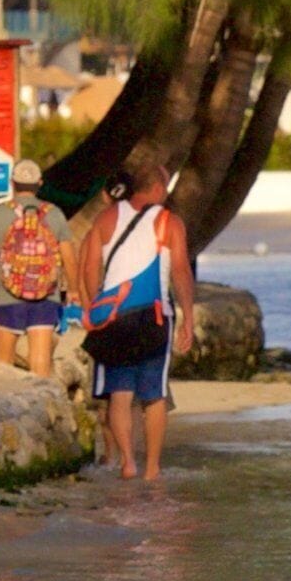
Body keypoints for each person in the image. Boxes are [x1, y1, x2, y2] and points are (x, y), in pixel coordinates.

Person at [78, 167, 196, 478]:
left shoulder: (105, 218)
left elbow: (90, 266)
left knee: (119, 394)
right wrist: (188, 316)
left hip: (113, 317)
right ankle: (152, 469)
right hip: (154, 316)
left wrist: (95, 306)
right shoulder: (169, 221)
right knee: (153, 395)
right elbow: (181, 270)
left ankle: (128, 462)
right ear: (157, 188)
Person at [0, 159, 75, 379]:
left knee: (3, 366)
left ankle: (6, 408)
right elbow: (68, 257)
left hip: (8, 296)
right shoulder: (54, 214)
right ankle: (40, 408)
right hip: (46, 296)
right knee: (40, 365)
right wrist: (73, 290)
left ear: (12, 182)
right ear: (40, 183)